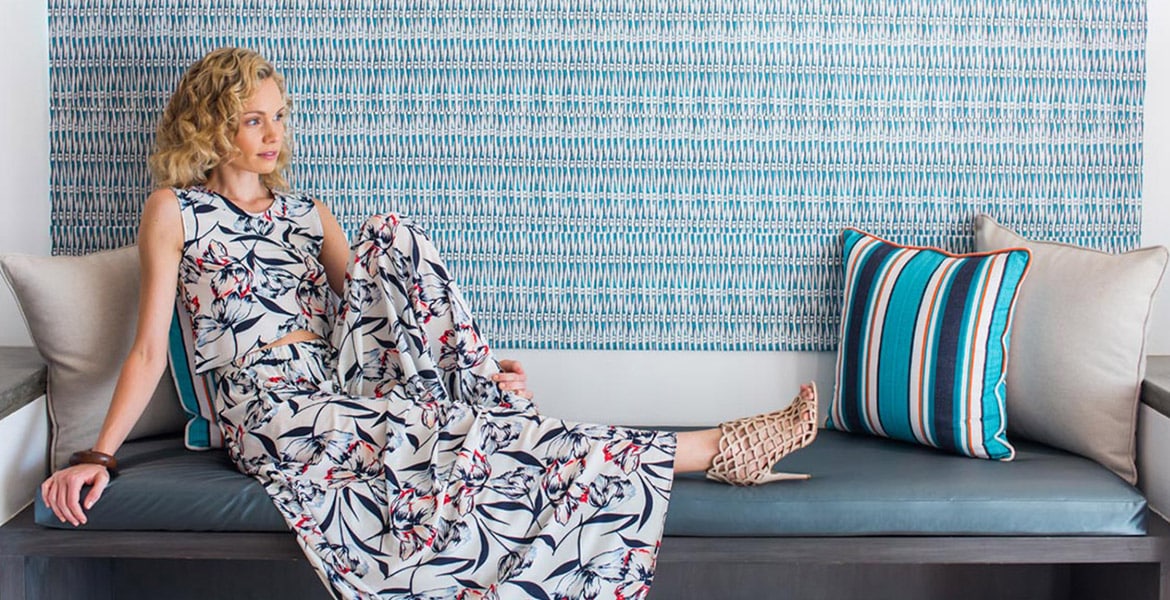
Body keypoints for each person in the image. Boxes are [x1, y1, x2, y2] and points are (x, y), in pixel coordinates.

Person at [40, 47, 818, 599]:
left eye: (279, 116)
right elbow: (147, 347)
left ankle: (483, 389)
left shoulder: (311, 215)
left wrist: (470, 365)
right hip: (271, 408)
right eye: (253, 120)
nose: (273, 134)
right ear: (213, 128)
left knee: (395, 236)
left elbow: (382, 311)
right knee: (468, 433)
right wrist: (97, 456)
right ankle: (720, 446)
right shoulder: (174, 212)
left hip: (340, 380)